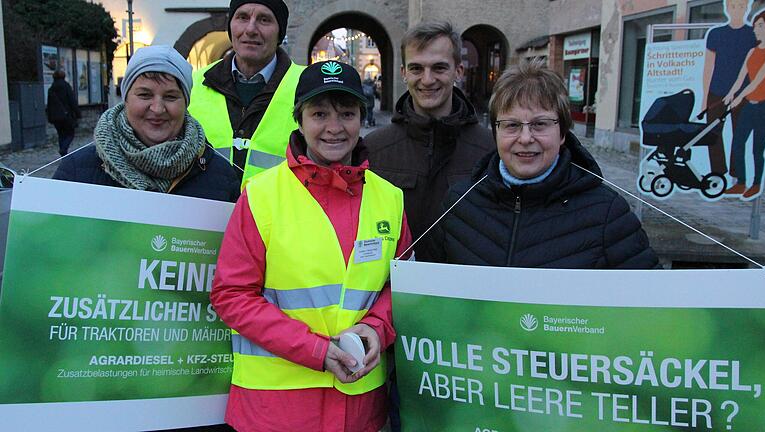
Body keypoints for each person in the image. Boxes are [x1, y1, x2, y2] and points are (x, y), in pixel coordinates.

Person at [210, 60, 412, 432]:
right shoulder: (261, 196)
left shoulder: (390, 199)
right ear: (299, 119)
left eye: (347, 114)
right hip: (275, 411)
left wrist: (377, 327)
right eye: (319, 114)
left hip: (359, 409)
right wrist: (315, 350)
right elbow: (232, 295)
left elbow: (402, 287)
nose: (334, 128)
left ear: (362, 119)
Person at [428, 60, 659, 269]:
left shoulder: (608, 213)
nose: (526, 138)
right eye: (512, 125)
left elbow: (649, 302)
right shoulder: (459, 204)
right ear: (495, 132)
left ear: (562, 133)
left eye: (540, 124)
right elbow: (430, 292)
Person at [365, 21, 494, 261]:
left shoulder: (491, 150)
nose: (427, 79)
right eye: (416, 68)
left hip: (468, 292)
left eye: (439, 68)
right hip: (394, 291)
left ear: (459, 71)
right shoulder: (374, 149)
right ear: (403, 73)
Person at [54, 45, 239, 203]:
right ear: (126, 99)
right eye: (144, 95)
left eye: (170, 97)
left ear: (186, 103)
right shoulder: (76, 171)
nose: (157, 108)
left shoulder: (221, 177)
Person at [188, 0, 305, 188]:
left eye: (264, 20)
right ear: (230, 26)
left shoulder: (305, 87)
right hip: (206, 214)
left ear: (279, 33)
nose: (250, 29)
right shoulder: (194, 83)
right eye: (242, 17)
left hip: (274, 215)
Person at [701, 0, 756, 176]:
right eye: (734, 6)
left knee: (739, 134)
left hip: (744, 94)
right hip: (716, 91)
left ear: (747, 8)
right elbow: (708, 66)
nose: (738, 10)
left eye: (741, 6)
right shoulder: (716, 34)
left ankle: (735, 171)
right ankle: (717, 172)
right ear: (727, 8)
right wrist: (704, 97)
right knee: (712, 133)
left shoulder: (753, 34)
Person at [723, 8, 765, 200]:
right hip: (750, 104)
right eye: (755, 26)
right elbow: (742, 77)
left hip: (764, 107)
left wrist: (740, 97)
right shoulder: (752, 51)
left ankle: (756, 184)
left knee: (757, 148)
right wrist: (731, 94)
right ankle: (741, 182)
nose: (755, 30)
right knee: (738, 142)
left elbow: (757, 81)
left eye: (759, 26)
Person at [46, 69, 81, 156]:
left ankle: (63, 152)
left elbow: (49, 104)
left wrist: (49, 117)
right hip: (66, 115)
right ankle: (64, 149)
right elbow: (72, 101)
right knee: (70, 133)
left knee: (61, 134)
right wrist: (78, 113)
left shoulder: (51, 89)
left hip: (55, 117)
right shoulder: (66, 86)